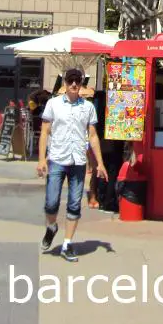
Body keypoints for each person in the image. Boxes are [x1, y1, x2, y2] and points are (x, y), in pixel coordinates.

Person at [37, 68, 107, 262]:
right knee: (51, 203)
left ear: (82, 83)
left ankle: (67, 244)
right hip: (57, 158)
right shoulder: (53, 104)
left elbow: (92, 136)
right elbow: (44, 132)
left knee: (74, 204)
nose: (74, 84)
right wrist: (42, 159)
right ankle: (51, 228)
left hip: (78, 161)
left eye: (78, 81)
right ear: (65, 83)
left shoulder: (88, 107)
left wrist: (100, 163)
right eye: (70, 81)